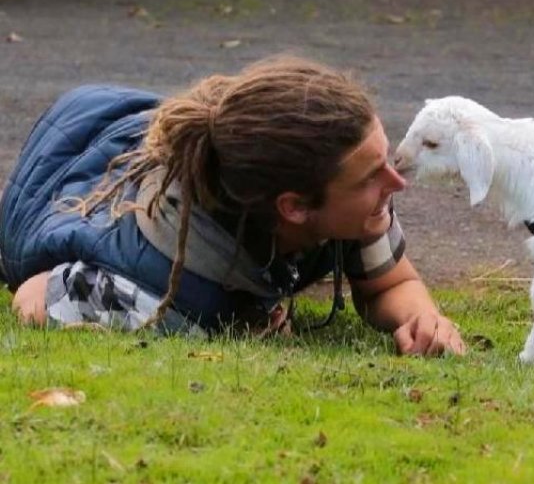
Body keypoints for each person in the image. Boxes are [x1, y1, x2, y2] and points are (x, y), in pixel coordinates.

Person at [0, 55, 466, 356]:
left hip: (167, 131)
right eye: (372, 176)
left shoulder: (354, 200)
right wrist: (245, 320)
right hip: (67, 164)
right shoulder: (162, 283)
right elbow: (34, 297)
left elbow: (390, 283)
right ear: (295, 208)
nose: (396, 181)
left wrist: (422, 319)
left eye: (383, 160)